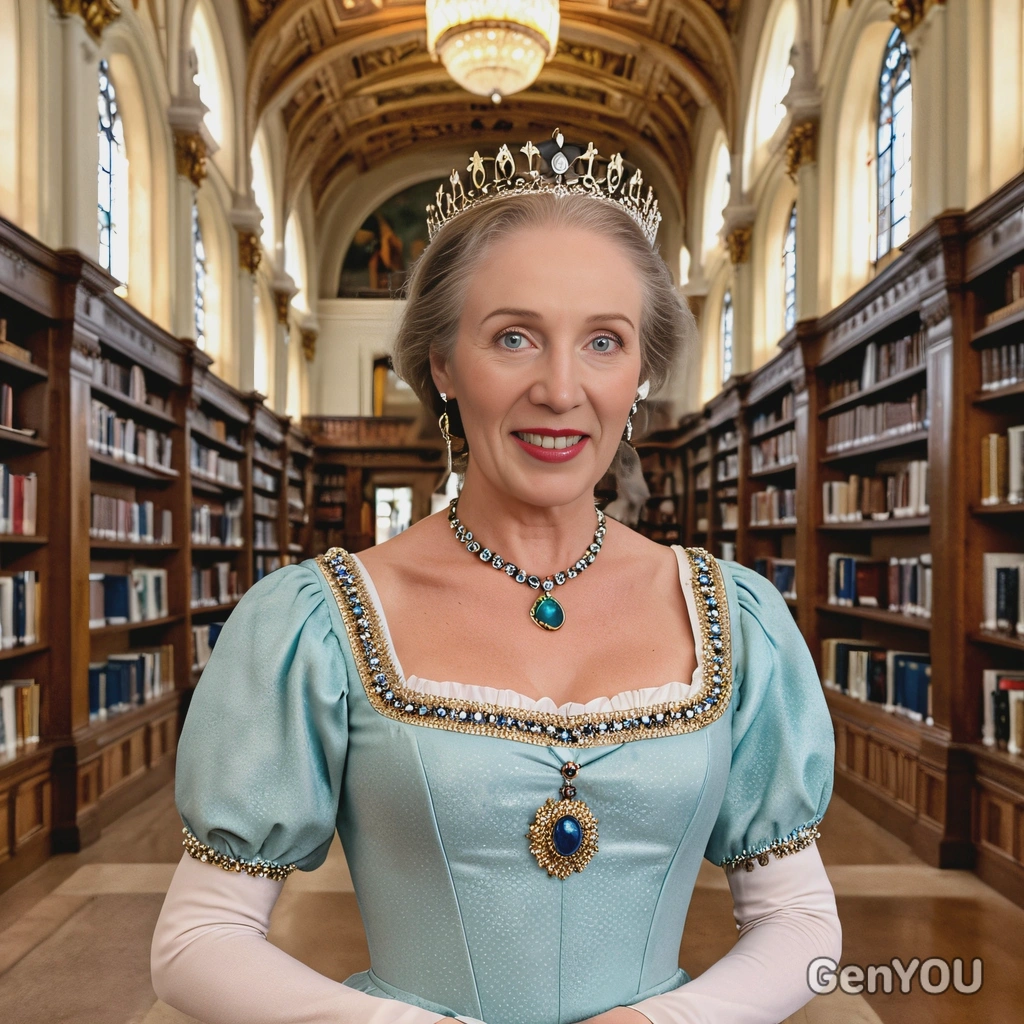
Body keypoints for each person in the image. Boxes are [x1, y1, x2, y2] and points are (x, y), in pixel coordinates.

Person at [152, 130, 841, 1024]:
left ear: (640, 374)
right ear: (442, 364)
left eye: (604, 342)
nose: (561, 389)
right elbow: (197, 938)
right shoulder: (318, 622)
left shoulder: (731, 618)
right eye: (513, 337)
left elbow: (798, 916)